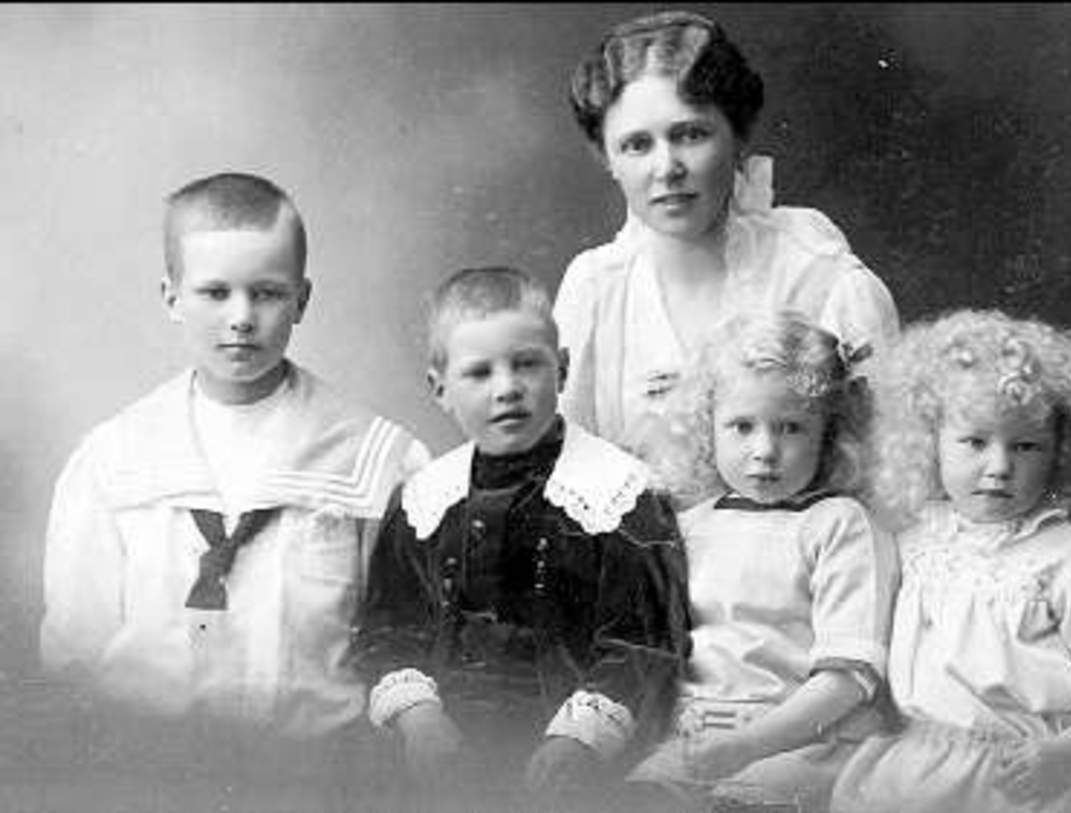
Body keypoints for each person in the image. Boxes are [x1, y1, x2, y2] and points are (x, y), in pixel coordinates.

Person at [39, 172, 431, 809]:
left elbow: (404, 644)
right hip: (149, 777)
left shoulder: (379, 462)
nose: (242, 318)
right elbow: (75, 652)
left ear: (302, 299)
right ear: (171, 297)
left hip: (318, 779)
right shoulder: (110, 461)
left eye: (268, 293)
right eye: (215, 292)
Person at [348, 266, 690, 813]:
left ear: (563, 368)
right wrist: (418, 717)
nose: (507, 387)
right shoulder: (424, 499)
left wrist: (578, 740)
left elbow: (644, 646)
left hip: (569, 756)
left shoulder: (620, 495)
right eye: (479, 372)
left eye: (527, 364)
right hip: (442, 751)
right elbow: (386, 632)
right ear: (439, 388)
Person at [829, 309, 1071, 813]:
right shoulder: (909, 547)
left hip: (1038, 778)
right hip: (920, 773)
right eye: (975, 442)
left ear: (1060, 452)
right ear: (929, 443)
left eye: (1026, 446)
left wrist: (1064, 757)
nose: (999, 466)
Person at [556, 10, 900, 455]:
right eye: (637, 145)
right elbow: (560, 465)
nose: (666, 168)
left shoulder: (822, 279)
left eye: (691, 135)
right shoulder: (594, 289)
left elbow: (884, 466)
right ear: (608, 159)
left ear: (737, 137)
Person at [625, 311, 899, 813]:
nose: (765, 450)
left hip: (801, 741)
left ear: (829, 434)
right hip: (692, 741)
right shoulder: (688, 527)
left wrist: (748, 746)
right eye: (741, 427)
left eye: (791, 428)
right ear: (707, 428)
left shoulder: (839, 524)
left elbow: (849, 678)